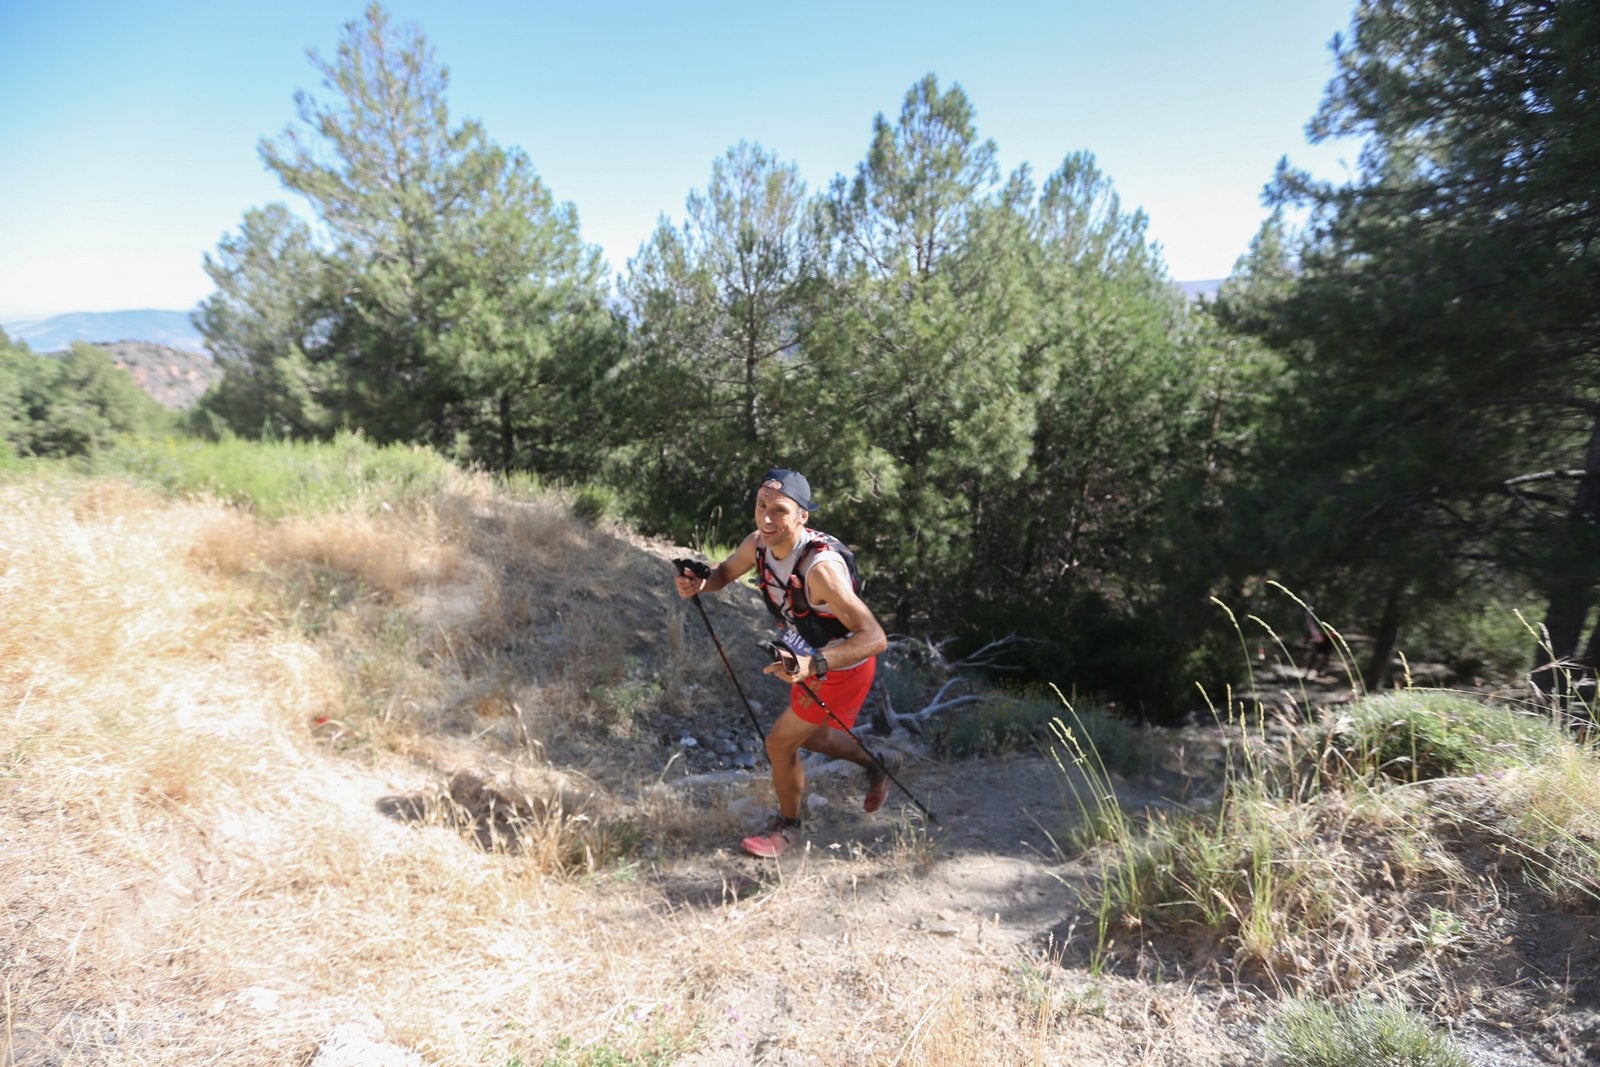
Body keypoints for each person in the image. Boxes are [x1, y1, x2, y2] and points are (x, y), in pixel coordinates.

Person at [675, 468, 894, 858]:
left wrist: (814, 665)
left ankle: (788, 829)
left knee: (779, 742)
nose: (767, 519)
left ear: (802, 516)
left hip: (844, 664)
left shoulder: (821, 570)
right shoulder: (759, 543)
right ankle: (880, 763)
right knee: (812, 736)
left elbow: (875, 638)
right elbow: (725, 573)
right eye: (762, 507)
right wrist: (701, 583)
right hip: (811, 655)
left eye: (780, 510)